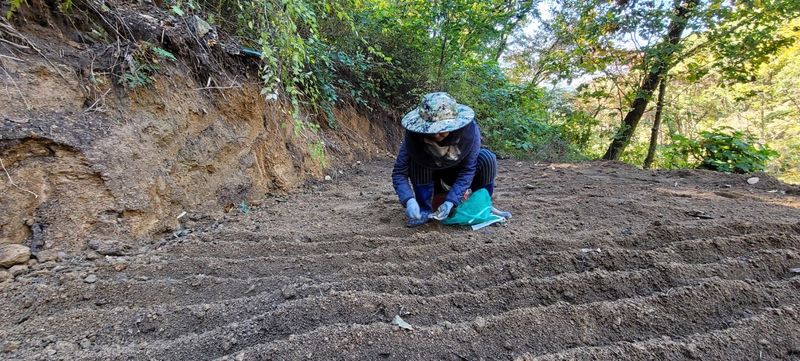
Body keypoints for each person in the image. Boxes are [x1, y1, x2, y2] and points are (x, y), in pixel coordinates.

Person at [391, 92, 511, 227]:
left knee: (487, 158)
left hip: (456, 176)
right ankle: (424, 209)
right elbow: (399, 172)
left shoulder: (469, 131)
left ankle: (482, 206)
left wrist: (451, 201)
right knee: (417, 161)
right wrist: (408, 200)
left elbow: (468, 170)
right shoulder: (413, 136)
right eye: (432, 129)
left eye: (442, 129)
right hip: (430, 180)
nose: (436, 134)